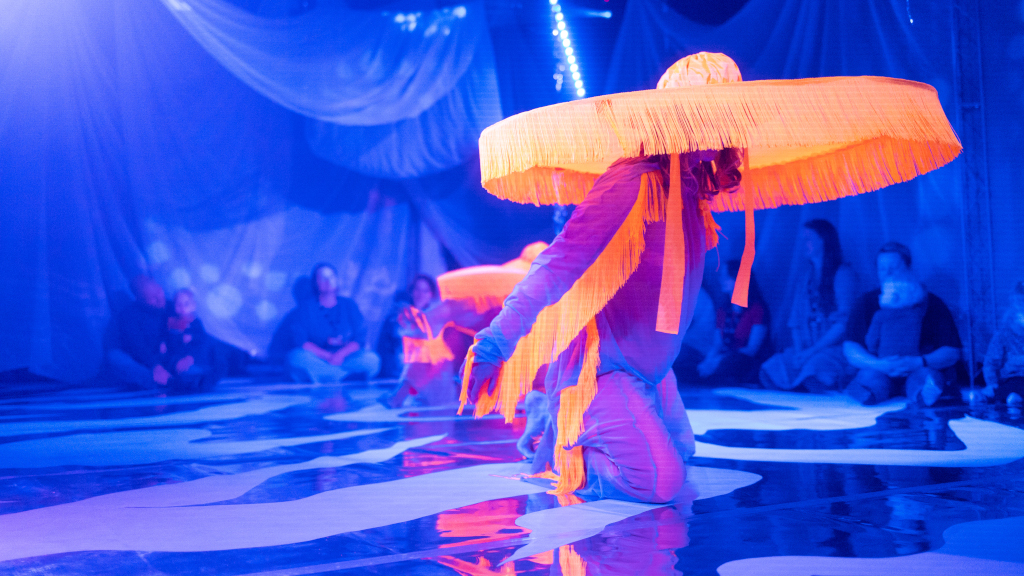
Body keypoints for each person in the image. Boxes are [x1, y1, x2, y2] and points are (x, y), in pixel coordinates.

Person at [843, 242, 962, 405]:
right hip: (879, 368)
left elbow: (952, 351)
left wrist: (918, 362)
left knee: (927, 378)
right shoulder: (866, 302)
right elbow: (850, 348)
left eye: (894, 267)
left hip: (919, 367)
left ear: (909, 268)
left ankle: (923, 394)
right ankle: (866, 391)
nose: (888, 273)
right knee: (868, 378)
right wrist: (879, 364)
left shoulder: (932, 303)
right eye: (882, 269)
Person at [760, 220, 856, 392]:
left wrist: (810, 352)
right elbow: (795, 322)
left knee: (815, 369)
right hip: (806, 349)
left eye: (808, 239)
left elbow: (843, 324)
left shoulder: (843, 274)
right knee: (770, 370)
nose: (803, 244)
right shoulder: (805, 277)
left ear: (823, 240)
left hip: (832, 349)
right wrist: (800, 352)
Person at [286, 263, 381, 383]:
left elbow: (359, 338)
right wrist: (328, 356)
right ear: (315, 283)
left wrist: (340, 355)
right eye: (323, 278)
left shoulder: (349, 305)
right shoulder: (305, 308)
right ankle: (342, 377)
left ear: (337, 280)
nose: (328, 281)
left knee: (372, 360)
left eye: (331, 277)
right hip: (319, 359)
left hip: (346, 359)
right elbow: (301, 341)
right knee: (295, 358)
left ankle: (323, 376)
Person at [692, 260, 770, 385]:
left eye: (727, 277)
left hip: (743, 359)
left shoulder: (756, 309)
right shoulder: (723, 310)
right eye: (722, 276)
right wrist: (708, 360)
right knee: (687, 359)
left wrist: (721, 360)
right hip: (723, 357)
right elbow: (717, 344)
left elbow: (752, 349)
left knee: (733, 362)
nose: (722, 280)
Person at [107, 275, 172, 389]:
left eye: (159, 292)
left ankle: (171, 380)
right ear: (139, 299)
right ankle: (163, 383)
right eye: (153, 298)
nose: (159, 298)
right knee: (115, 358)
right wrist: (155, 366)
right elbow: (137, 346)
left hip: (169, 360)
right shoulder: (128, 315)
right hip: (143, 363)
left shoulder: (174, 307)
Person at [160, 288, 221, 393]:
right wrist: (163, 342)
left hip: (194, 353)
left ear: (193, 306)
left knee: (197, 369)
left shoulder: (195, 321)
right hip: (177, 352)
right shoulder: (172, 321)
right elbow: (166, 333)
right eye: (179, 305)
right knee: (176, 367)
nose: (182, 308)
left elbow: (202, 336)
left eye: (186, 304)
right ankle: (182, 379)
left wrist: (192, 337)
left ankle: (199, 379)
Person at [981, 281, 1024, 406]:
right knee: (1007, 390)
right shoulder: (1003, 333)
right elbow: (990, 363)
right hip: (1012, 380)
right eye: (1019, 301)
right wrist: (991, 383)